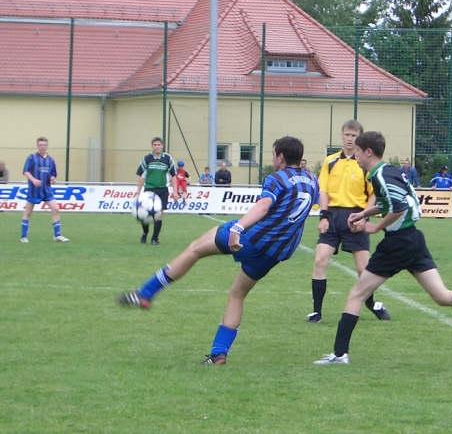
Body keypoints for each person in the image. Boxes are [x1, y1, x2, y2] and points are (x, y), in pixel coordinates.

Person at [313, 131, 452, 365]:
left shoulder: (379, 175)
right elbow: (395, 201)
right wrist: (364, 213)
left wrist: (375, 227)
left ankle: (339, 355)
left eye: (357, 151)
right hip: (413, 239)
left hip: (397, 243)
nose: (355, 155)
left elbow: (398, 206)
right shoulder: (389, 171)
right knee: (441, 295)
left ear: (368, 151)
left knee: (357, 294)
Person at [118, 136, 319, 365]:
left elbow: (264, 206)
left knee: (195, 249)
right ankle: (218, 354)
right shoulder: (312, 180)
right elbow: (319, 202)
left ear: (280, 157)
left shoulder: (276, 178)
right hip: (275, 252)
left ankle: (146, 293)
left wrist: (238, 227)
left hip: (252, 238)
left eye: (274, 155)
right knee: (237, 294)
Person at [308, 119, 390, 324]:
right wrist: (324, 216)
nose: (349, 139)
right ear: (341, 136)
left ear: (360, 139)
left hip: (356, 216)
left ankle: (372, 303)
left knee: (364, 270)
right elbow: (323, 190)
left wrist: (364, 217)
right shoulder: (330, 161)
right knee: (320, 260)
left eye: (354, 136)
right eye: (346, 135)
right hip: (333, 216)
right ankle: (316, 312)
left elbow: (374, 195)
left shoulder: (365, 164)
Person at [20, 137, 69, 243]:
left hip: (46, 190)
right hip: (34, 190)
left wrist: (52, 179)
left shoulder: (50, 160)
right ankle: (23, 236)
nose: (42, 147)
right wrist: (33, 180)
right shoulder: (32, 157)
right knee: (28, 212)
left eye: (44, 145)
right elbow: (26, 171)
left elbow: (53, 174)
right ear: (37, 146)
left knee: (55, 209)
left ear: (47, 146)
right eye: (40, 145)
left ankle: (57, 235)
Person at [135, 137, 179, 245]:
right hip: (149, 190)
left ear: (162, 146)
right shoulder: (147, 158)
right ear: (152, 146)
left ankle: (155, 239)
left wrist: (175, 191)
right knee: (144, 215)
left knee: (158, 215)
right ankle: (145, 233)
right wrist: (138, 191)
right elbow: (142, 176)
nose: (157, 146)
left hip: (162, 190)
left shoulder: (168, 158)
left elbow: (173, 176)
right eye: (154, 145)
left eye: (159, 144)